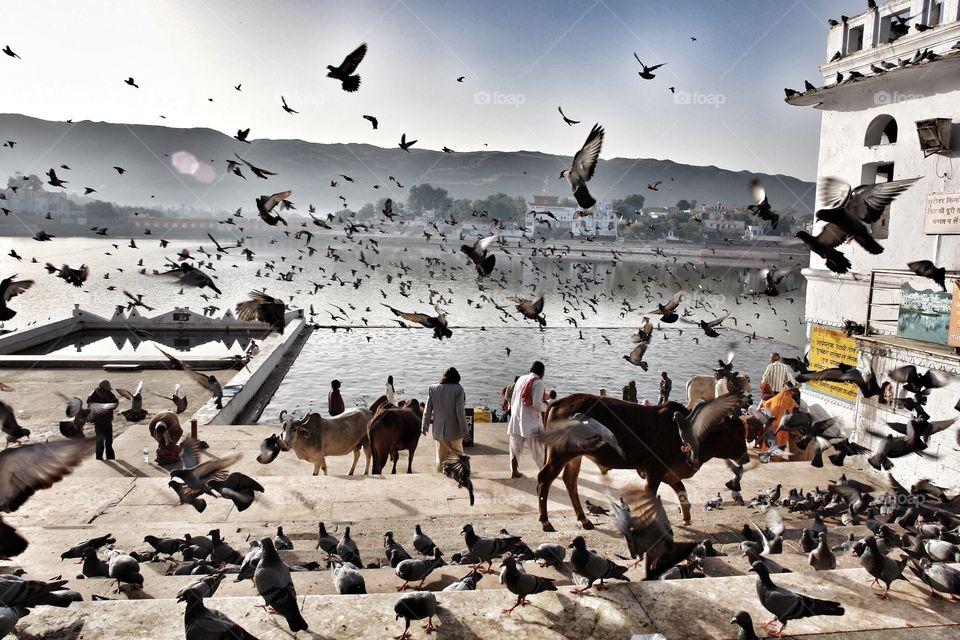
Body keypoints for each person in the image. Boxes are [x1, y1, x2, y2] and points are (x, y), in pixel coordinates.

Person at [421, 367, 468, 472]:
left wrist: (424, 426)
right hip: (455, 431)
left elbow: (427, 410)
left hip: (439, 430)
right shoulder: (459, 389)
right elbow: (460, 413)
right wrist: (465, 431)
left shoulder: (433, 388)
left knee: (441, 458)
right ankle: (457, 479)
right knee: (458, 457)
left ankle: (441, 479)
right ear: (456, 378)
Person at [507, 361, 549, 478]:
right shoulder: (538, 383)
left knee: (515, 449)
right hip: (531, 423)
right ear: (542, 372)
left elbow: (514, 398)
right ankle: (545, 474)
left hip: (516, 419)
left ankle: (514, 472)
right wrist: (546, 406)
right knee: (539, 451)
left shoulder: (520, 379)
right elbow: (536, 404)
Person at [88, 380, 118, 460]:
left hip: (108, 420)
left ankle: (111, 458)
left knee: (109, 442)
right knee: (100, 442)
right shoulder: (93, 395)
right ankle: (99, 458)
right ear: (101, 388)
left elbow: (115, 402)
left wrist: (111, 405)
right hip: (99, 422)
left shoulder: (108, 393)